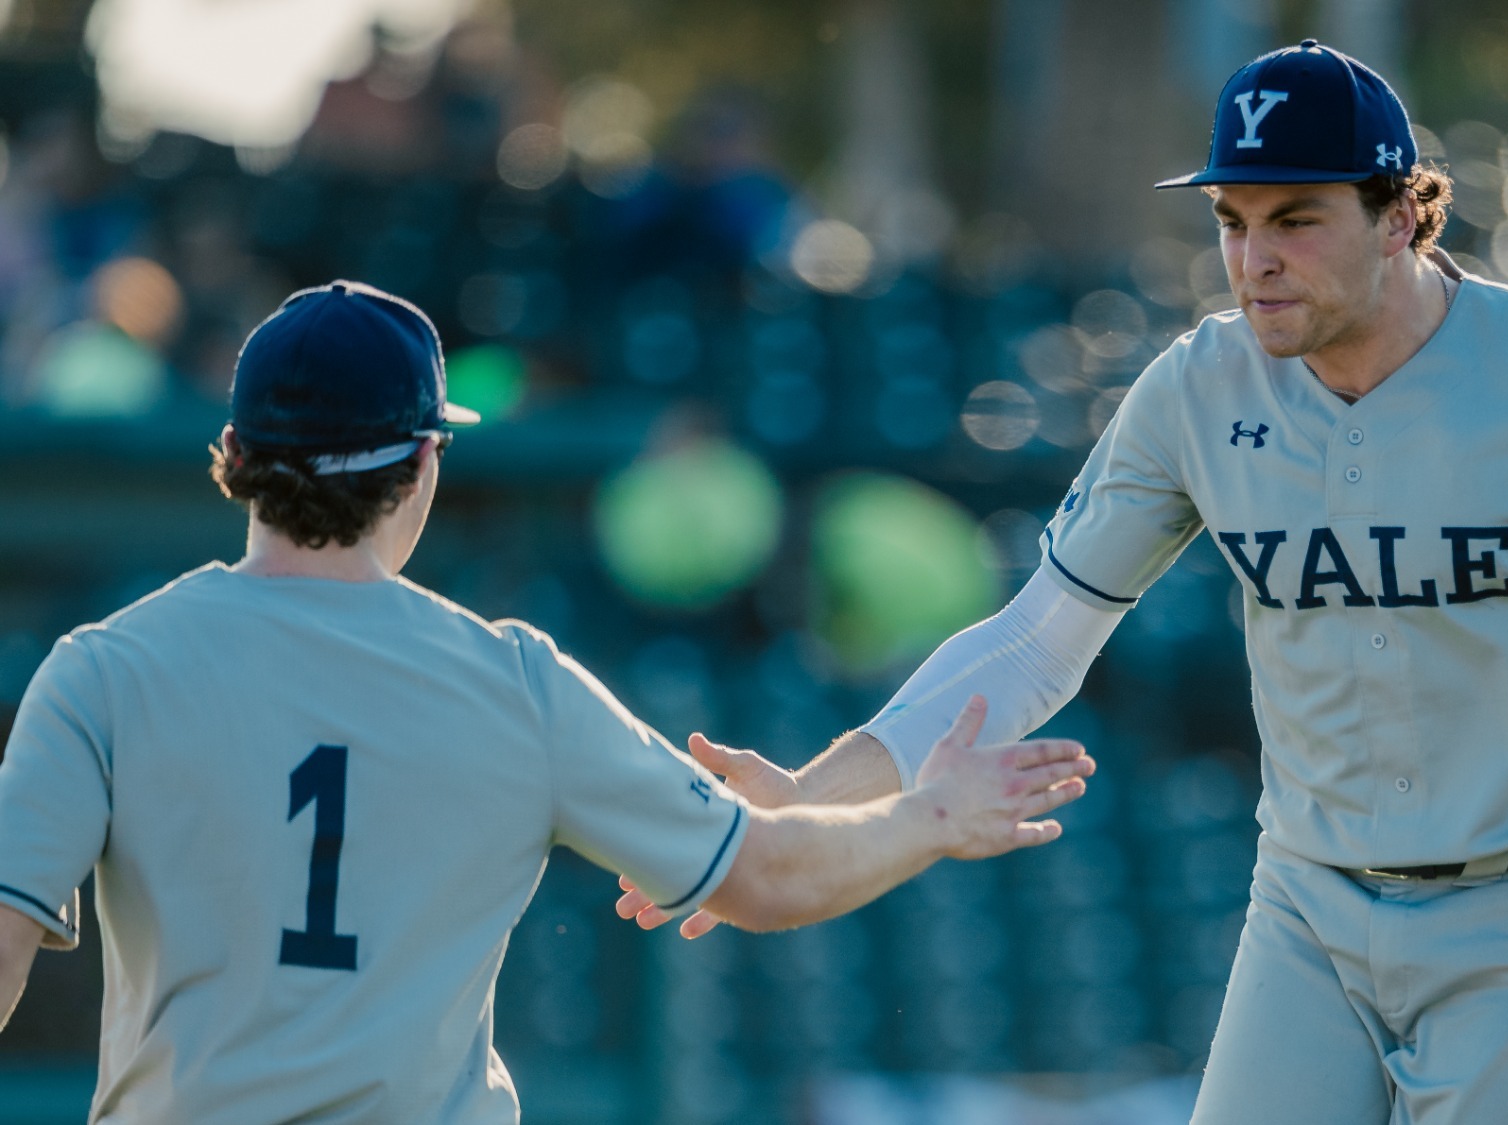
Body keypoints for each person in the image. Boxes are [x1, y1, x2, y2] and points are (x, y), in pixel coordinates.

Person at [621, 41, 1508, 1125]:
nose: (1253, 257)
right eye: (1232, 220)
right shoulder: (1198, 390)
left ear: (1400, 217)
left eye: (1295, 217)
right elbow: (1033, 642)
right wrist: (814, 808)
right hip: (1311, 902)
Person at [0, 280, 1095, 1123]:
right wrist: (928, 814)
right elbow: (766, 875)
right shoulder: (512, 681)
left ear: (232, 455)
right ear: (423, 462)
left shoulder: (103, 669)